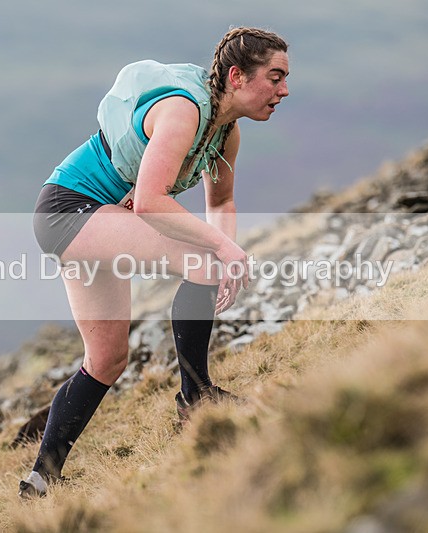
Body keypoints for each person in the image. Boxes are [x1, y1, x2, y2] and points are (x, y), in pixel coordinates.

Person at [21, 26, 289, 498]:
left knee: (106, 360)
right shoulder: (184, 111)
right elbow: (147, 202)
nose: (284, 90)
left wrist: (223, 260)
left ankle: (41, 478)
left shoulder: (226, 133)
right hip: (69, 209)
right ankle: (196, 399)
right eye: (275, 77)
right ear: (237, 76)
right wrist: (222, 255)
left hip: (93, 218)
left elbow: (221, 204)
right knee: (203, 262)